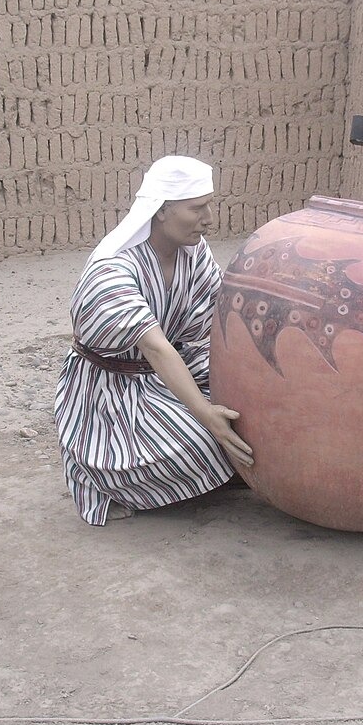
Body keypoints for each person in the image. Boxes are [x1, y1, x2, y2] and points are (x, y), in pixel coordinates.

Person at [53, 156, 253, 525]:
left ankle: (216, 469)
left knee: (251, 409)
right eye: (196, 208)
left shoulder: (194, 252)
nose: (208, 217)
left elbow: (217, 319)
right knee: (202, 440)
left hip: (173, 368)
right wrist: (207, 415)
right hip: (114, 390)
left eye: (209, 204)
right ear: (161, 211)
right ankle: (105, 477)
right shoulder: (112, 270)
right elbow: (156, 348)